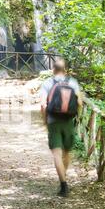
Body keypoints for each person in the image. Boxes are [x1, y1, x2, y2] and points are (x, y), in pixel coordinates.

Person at [40, 58, 83, 197]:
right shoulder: (72, 82)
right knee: (66, 152)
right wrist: (78, 118)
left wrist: (45, 120)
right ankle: (63, 177)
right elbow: (80, 103)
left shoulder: (47, 83)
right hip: (69, 121)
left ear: (53, 69)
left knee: (56, 154)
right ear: (65, 70)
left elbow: (43, 105)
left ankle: (63, 184)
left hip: (53, 121)